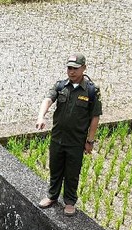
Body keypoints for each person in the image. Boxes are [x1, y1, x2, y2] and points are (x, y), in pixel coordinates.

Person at [35, 54, 102, 216]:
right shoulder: (60, 86)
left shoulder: (91, 91)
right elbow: (48, 100)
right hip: (57, 138)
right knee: (55, 168)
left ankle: (70, 201)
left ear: (84, 68)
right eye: (69, 68)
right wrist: (41, 116)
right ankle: (52, 196)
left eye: (75, 68)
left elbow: (95, 118)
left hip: (76, 141)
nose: (71, 72)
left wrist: (90, 141)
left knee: (72, 172)